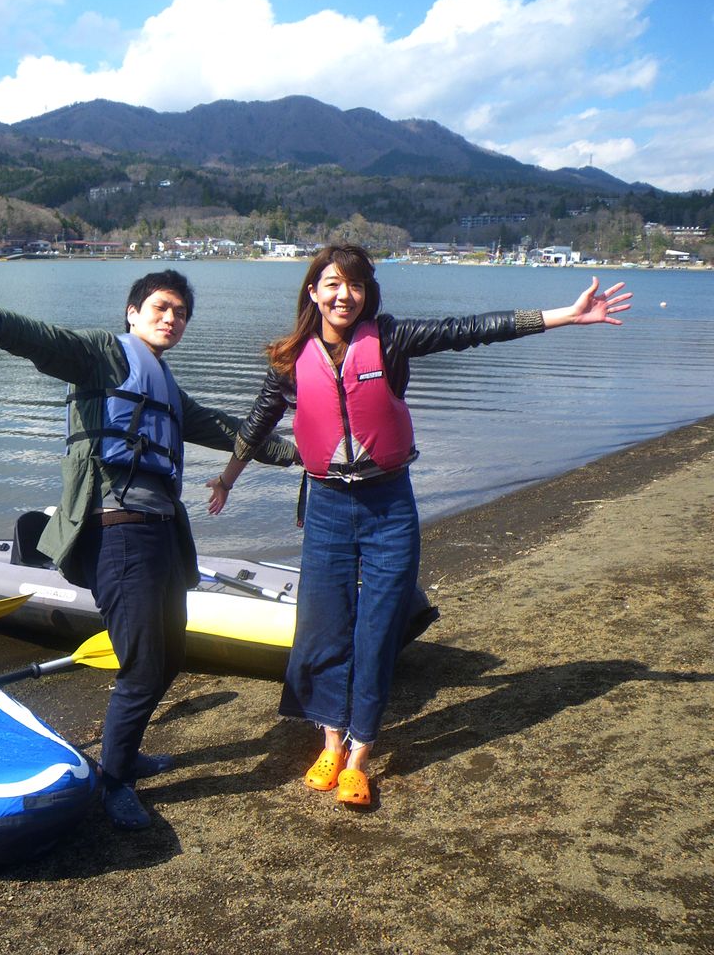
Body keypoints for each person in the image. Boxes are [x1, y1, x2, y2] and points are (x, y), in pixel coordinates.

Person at [206, 243, 630, 808]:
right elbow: (258, 423)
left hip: (388, 505)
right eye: (333, 284)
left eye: (355, 285)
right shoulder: (290, 359)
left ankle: (360, 754)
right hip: (327, 506)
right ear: (313, 291)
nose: (344, 295)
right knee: (323, 626)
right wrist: (227, 479)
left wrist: (564, 316)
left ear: (367, 293)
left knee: (379, 627)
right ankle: (330, 742)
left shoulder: (390, 339)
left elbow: (470, 330)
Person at [0, 262, 295, 830]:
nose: (172, 319)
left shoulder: (164, 382)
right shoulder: (103, 354)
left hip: (162, 533)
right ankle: (113, 783)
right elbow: (46, 342)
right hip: (116, 532)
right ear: (132, 312)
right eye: (161, 308)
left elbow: (227, 430)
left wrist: (301, 451)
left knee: (168, 657)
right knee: (142, 664)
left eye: (181, 313)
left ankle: (126, 756)